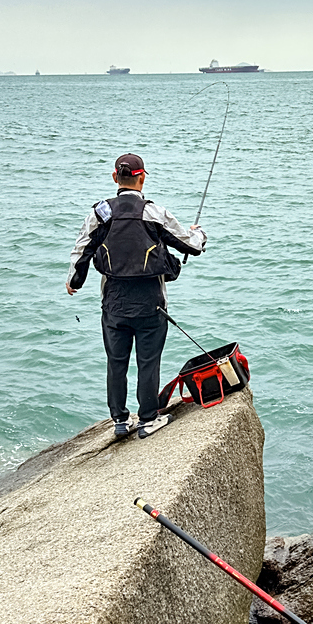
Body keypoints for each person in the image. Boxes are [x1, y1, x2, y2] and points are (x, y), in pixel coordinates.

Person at [66, 153, 207, 438]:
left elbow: (81, 251)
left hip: (114, 303)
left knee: (116, 362)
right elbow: (190, 246)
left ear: (115, 177)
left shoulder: (100, 213)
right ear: (143, 177)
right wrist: (199, 235)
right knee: (148, 361)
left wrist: (74, 282)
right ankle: (147, 419)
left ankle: (120, 420)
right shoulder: (154, 212)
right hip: (151, 302)